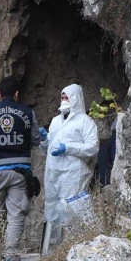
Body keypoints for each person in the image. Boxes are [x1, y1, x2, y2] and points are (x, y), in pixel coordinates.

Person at [0, 76, 41, 261]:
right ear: (16, 94)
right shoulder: (27, 112)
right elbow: (36, 139)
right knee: (16, 213)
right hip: (20, 171)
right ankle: (11, 257)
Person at [41, 84, 99, 248]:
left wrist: (68, 148)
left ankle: (77, 245)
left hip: (73, 172)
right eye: (62, 97)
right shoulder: (55, 121)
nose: (64, 100)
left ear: (76, 98)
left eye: (67, 97)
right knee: (52, 210)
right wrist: (44, 140)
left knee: (72, 209)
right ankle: (52, 249)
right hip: (53, 172)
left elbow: (92, 147)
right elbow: (49, 147)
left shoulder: (85, 121)